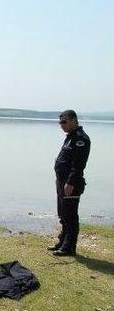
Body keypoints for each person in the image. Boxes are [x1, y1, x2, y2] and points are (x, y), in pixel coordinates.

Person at [48, 110, 91, 256]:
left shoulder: (81, 139)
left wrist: (70, 182)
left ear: (74, 120)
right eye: (60, 122)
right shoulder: (70, 138)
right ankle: (62, 242)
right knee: (63, 214)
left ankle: (69, 247)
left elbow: (78, 164)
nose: (61, 125)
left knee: (71, 215)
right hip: (62, 182)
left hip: (71, 184)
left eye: (64, 122)